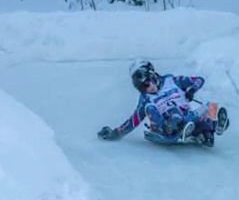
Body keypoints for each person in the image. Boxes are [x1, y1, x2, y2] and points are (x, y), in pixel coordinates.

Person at [97, 61, 229, 147]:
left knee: (212, 105)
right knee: (155, 108)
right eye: (141, 87)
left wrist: (191, 90)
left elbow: (199, 80)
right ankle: (175, 128)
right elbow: (133, 121)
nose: (146, 88)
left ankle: (211, 129)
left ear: (152, 75)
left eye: (146, 84)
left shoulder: (172, 80)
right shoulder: (145, 99)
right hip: (166, 127)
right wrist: (114, 133)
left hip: (187, 117)